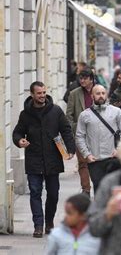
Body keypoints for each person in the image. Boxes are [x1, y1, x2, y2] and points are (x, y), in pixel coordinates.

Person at [13, 81, 75, 238]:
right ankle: (38, 225)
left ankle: (49, 222)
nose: (42, 96)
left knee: (53, 193)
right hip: (33, 158)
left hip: (53, 158)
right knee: (35, 192)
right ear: (32, 95)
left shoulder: (56, 111)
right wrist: (20, 141)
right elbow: (17, 132)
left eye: (43, 93)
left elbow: (66, 130)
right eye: (39, 93)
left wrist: (71, 149)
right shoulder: (25, 114)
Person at [76, 85, 121, 193]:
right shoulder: (84, 115)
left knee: (113, 190)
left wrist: (119, 149)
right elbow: (79, 136)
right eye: (98, 93)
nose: (101, 96)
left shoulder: (116, 112)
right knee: (99, 190)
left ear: (107, 95)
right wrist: (87, 154)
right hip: (95, 161)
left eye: (103, 93)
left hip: (113, 158)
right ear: (92, 96)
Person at [66, 70, 95, 196]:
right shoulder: (74, 93)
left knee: (96, 162)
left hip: (96, 134)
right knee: (83, 163)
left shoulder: (98, 91)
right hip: (80, 135)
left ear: (91, 79)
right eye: (80, 78)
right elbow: (69, 115)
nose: (82, 81)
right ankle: (86, 189)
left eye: (85, 78)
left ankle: (98, 186)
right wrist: (76, 128)